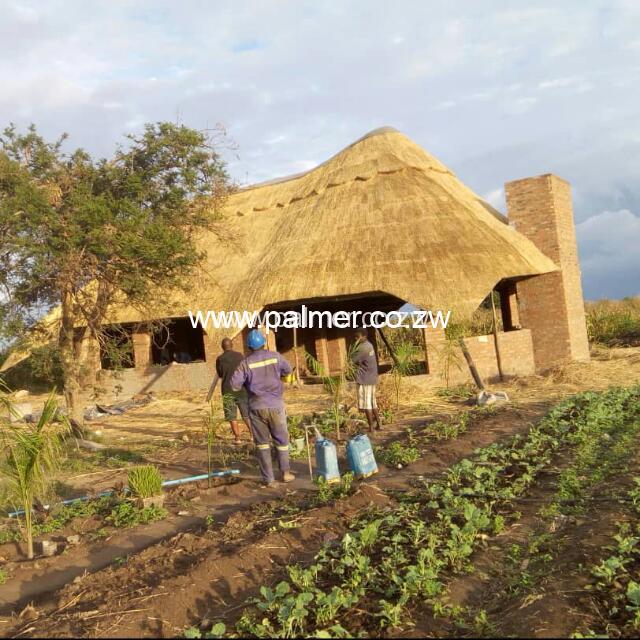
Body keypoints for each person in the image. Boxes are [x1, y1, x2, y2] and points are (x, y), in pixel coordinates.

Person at [231, 329, 295, 487]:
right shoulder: (275, 357)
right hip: (276, 405)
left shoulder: (245, 363)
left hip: (256, 407)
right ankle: (285, 473)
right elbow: (288, 370)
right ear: (263, 343)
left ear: (249, 347)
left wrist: (247, 383)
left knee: (262, 444)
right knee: (282, 441)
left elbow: (234, 386)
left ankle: (269, 479)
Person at [209, 338, 251, 443]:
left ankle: (237, 438)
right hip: (241, 389)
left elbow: (220, 373)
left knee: (231, 416)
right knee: (246, 414)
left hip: (227, 390)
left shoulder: (220, 359)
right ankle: (253, 435)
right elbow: (246, 370)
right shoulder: (240, 356)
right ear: (232, 345)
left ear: (222, 347)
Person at [351, 328, 382, 431]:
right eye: (355, 337)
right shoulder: (369, 345)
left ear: (364, 336)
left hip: (365, 379)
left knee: (367, 404)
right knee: (373, 403)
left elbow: (353, 360)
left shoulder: (363, 348)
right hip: (372, 378)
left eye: (357, 337)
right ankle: (379, 425)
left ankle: (371, 428)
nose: (356, 339)